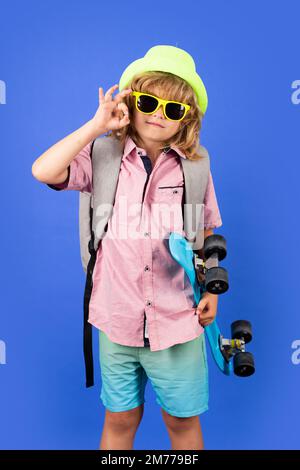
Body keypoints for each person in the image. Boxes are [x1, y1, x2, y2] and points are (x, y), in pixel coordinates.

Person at [32, 45, 223, 450]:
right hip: (116, 317)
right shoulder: (103, 154)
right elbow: (43, 170)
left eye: (173, 110)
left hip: (177, 321)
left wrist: (211, 292)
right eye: (149, 102)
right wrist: (96, 125)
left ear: (186, 120)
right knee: (120, 420)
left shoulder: (196, 164)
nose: (159, 114)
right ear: (131, 103)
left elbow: (204, 236)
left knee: (181, 423)